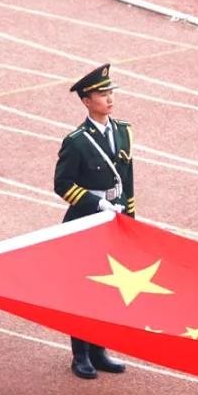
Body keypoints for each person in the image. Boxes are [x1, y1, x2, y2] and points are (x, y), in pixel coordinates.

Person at [52, 63, 133, 378]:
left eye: (110, 92)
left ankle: (99, 349)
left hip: (115, 220)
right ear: (87, 101)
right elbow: (62, 184)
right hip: (86, 220)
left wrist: (130, 218)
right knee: (83, 288)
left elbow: (127, 179)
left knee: (108, 287)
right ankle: (81, 354)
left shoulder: (123, 131)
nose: (109, 98)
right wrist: (97, 202)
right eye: (102, 94)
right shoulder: (77, 140)